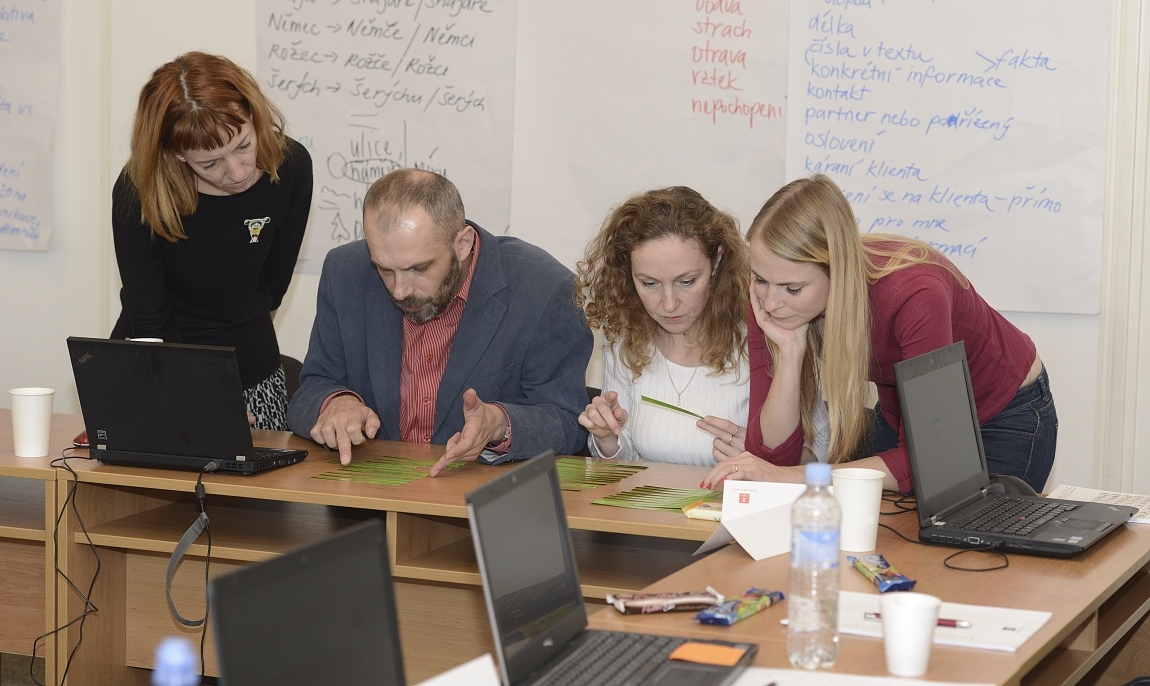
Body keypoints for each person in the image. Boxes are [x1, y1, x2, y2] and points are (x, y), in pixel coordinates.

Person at [702, 174, 1056, 493]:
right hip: (903, 412)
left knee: (972, 538)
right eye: (760, 279)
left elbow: (928, 459)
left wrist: (798, 476)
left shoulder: (915, 294)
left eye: (792, 289)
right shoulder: (770, 296)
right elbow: (773, 457)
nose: (770, 303)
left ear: (838, 271)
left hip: (999, 414)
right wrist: (790, 356)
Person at [286, 168, 593, 475]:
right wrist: (336, 403)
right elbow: (313, 387)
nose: (399, 290)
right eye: (385, 270)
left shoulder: (544, 290)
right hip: (371, 489)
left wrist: (501, 425)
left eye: (419, 269)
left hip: (479, 491)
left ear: (463, 244)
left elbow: (568, 422)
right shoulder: (345, 271)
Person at [111, 51, 313, 431]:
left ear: (254, 116)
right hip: (158, 366)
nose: (236, 173)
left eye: (243, 146)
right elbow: (150, 318)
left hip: (251, 368)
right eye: (210, 164)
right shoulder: (139, 191)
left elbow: (273, 286)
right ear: (176, 153)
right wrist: (199, 394)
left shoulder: (291, 167)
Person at [575, 187, 750, 466]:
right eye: (649, 283)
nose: (669, 305)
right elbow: (626, 462)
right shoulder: (624, 340)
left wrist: (765, 461)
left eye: (687, 282)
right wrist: (607, 438)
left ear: (717, 261)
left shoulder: (759, 342)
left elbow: (815, 454)